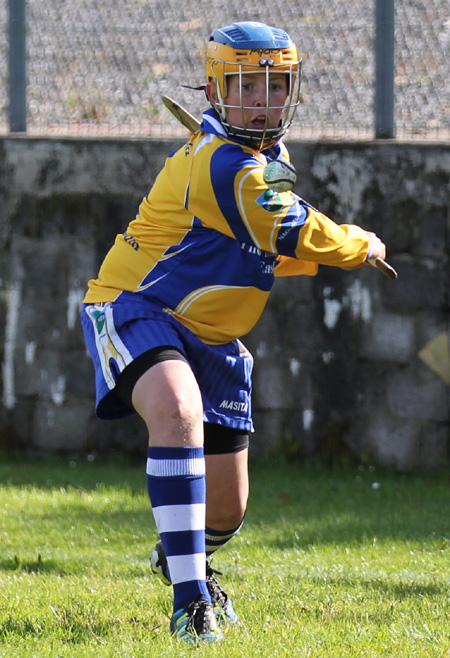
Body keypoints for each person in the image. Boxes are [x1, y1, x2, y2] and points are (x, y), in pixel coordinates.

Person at [81, 21, 387, 644]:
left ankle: (182, 556)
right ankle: (191, 603)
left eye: (276, 86)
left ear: (292, 92)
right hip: (138, 307)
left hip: (215, 337)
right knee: (178, 411)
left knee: (227, 509)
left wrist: (303, 245)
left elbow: (268, 248)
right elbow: (288, 229)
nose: (262, 99)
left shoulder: (264, 162)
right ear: (216, 92)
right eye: (246, 85)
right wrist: (361, 244)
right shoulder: (223, 161)